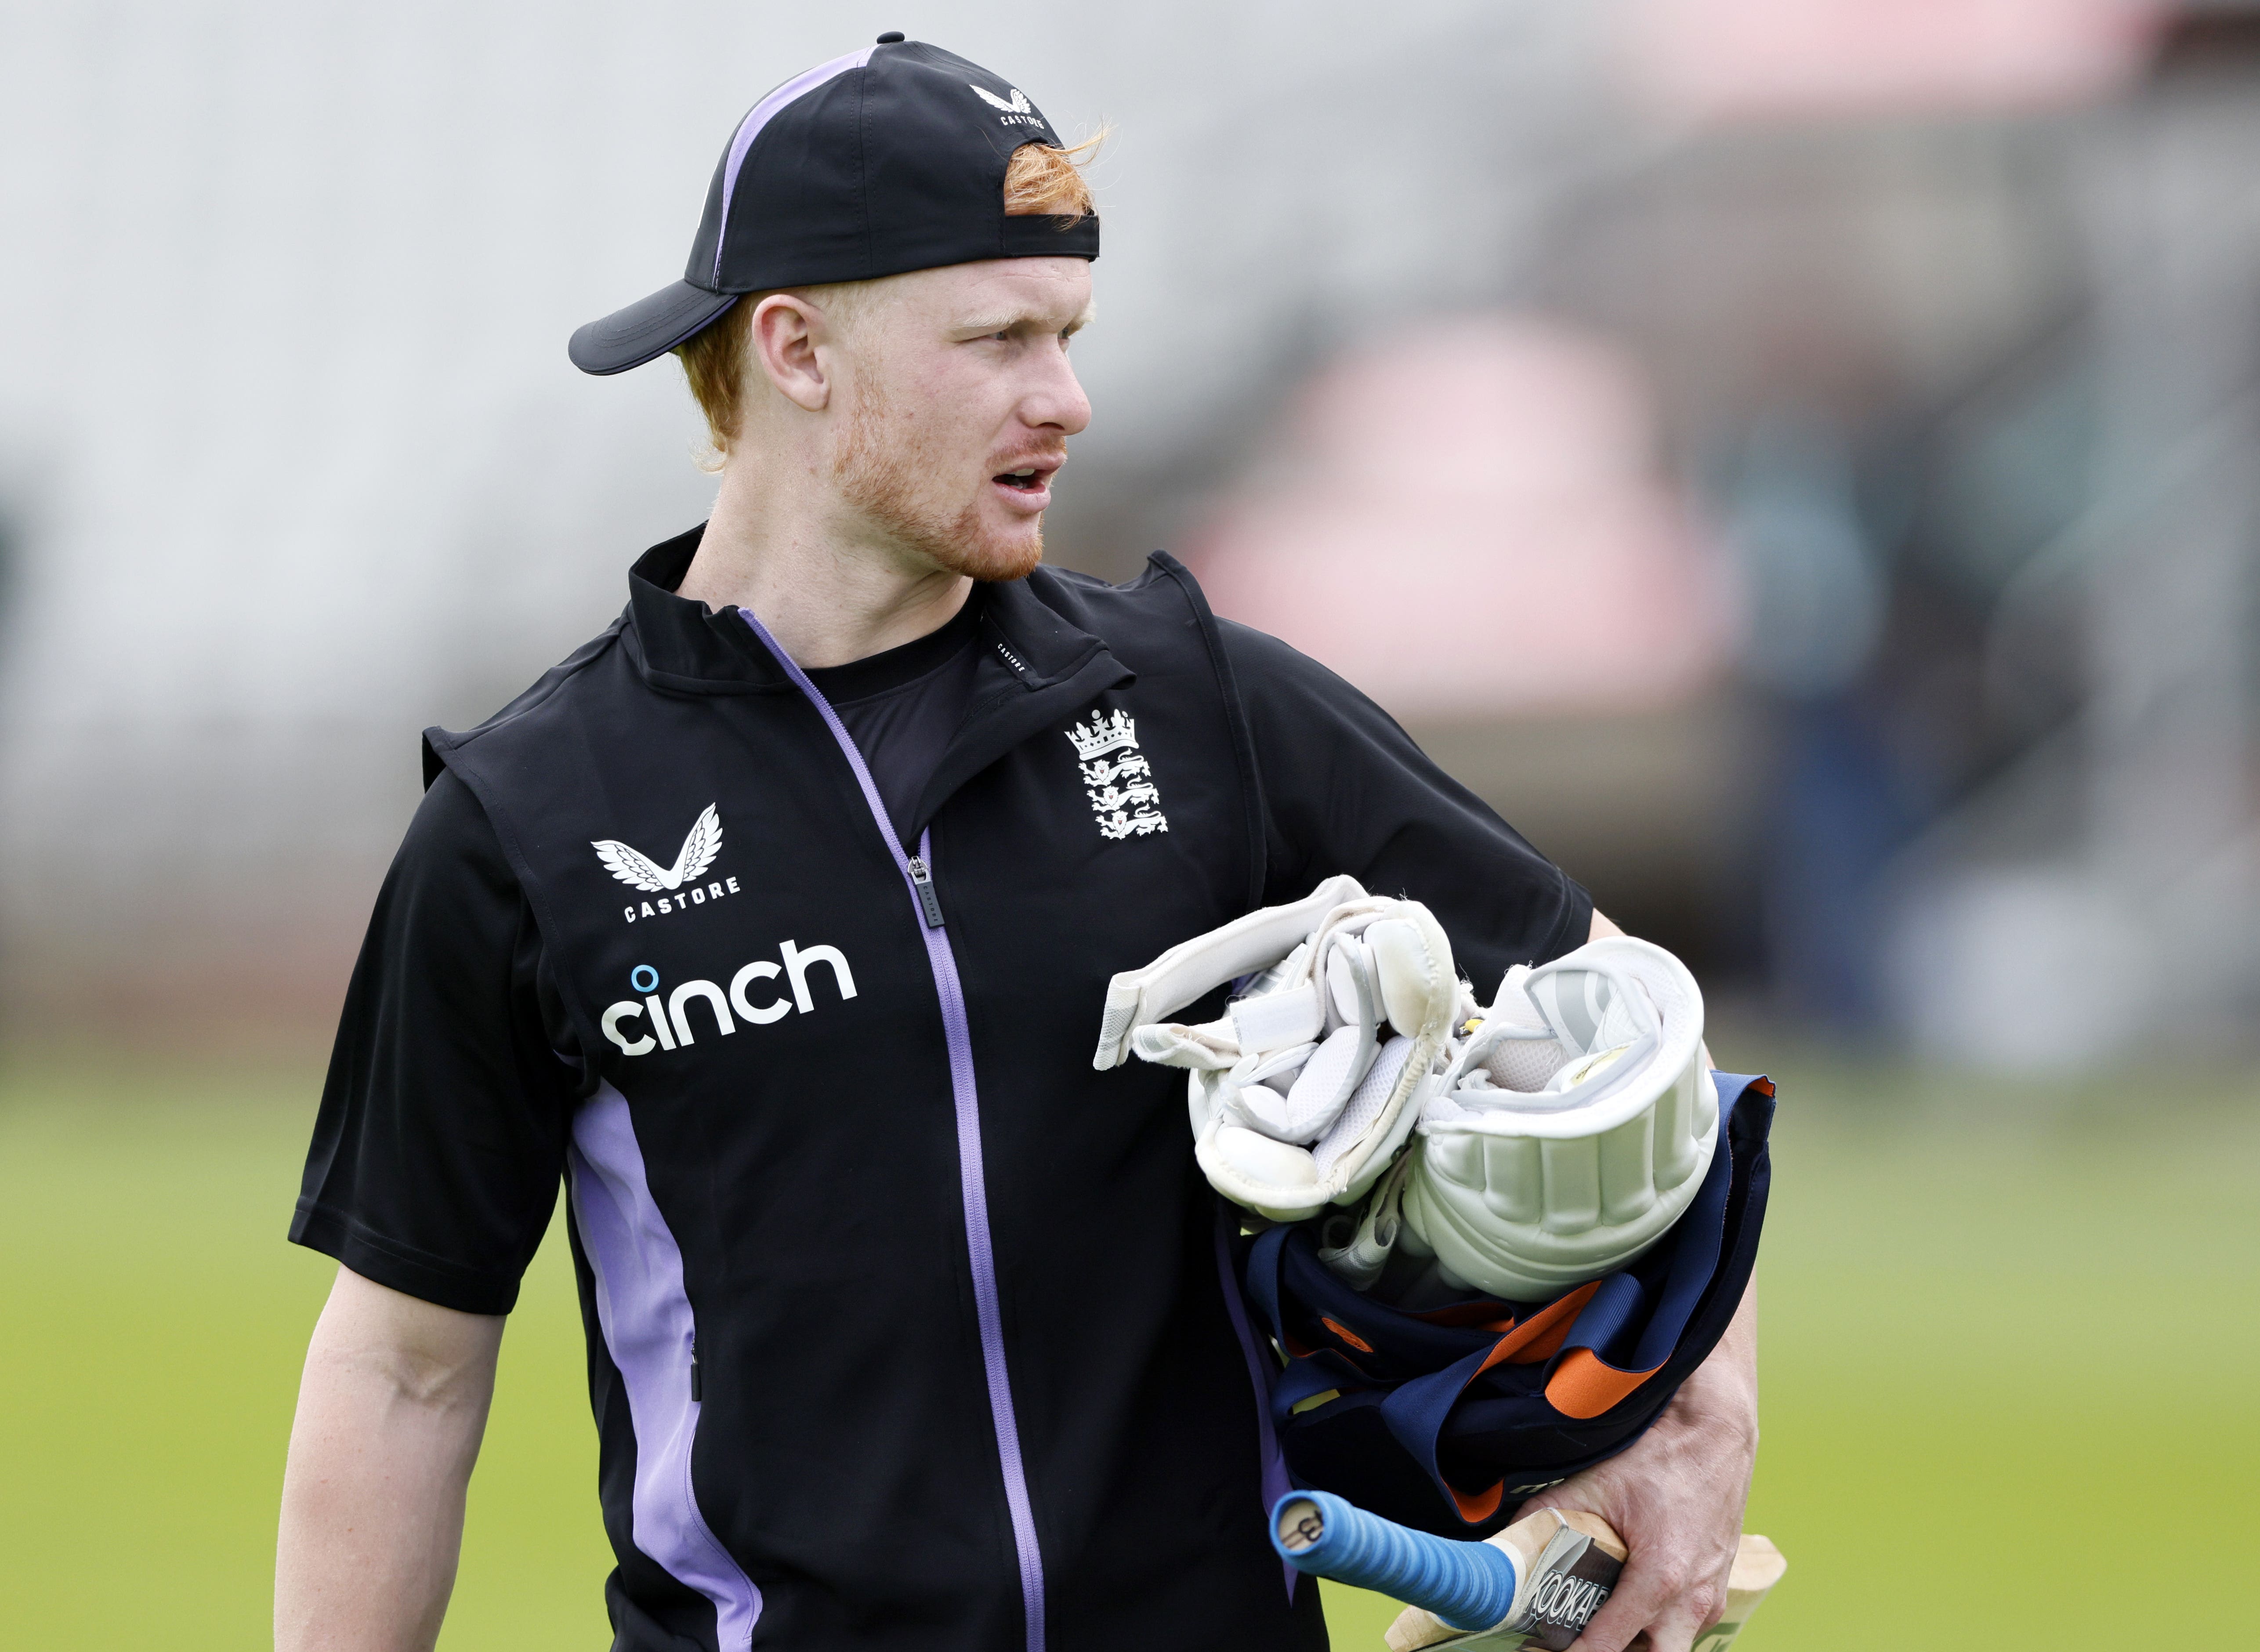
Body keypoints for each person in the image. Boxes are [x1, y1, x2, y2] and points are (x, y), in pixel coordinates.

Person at [273, 36, 1756, 1652]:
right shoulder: (528, 820)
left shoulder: (1202, 705)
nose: (1068, 396)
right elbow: (406, 1366)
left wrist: (1688, 1425)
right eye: (998, 339)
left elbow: (1626, 1030)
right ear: (796, 351)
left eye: (1068, 333)